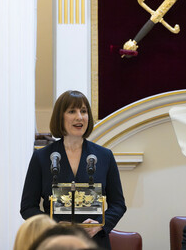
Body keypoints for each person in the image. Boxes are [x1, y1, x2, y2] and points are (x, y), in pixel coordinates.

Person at [20, 90, 127, 249]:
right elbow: (28, 207)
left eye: (83, 111)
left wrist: (99, 224)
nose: (80, 117)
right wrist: (53, 225)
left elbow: (118, 204)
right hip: (55, 243)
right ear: (60, 117)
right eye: (72, 111)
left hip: (94, 243)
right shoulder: (41, 157)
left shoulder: (105, 156)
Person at [29, 224, 98, 250]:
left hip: (96, 236)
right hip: (53, 236)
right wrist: (56, 225)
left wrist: (100, 224)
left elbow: (109, 207)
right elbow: (28, 208)